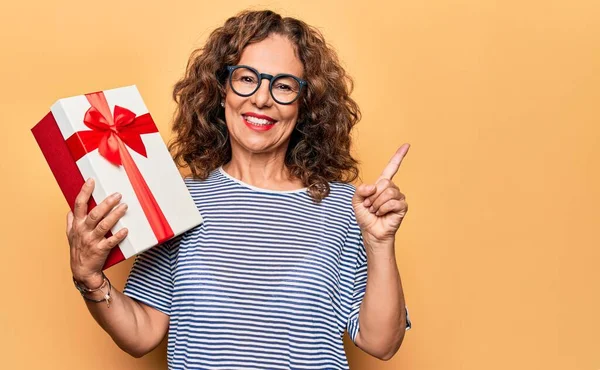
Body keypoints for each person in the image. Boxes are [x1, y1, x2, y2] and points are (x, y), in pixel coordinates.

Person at [66, 9, 412, 370]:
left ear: (305, 104)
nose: (262, 99)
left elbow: (381, 343)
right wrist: (89, 278)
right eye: (246, 78)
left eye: (283, 85)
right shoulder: (178, 200)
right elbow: (142, 333)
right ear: (221, 90)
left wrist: (380, 243)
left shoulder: (345, 207)